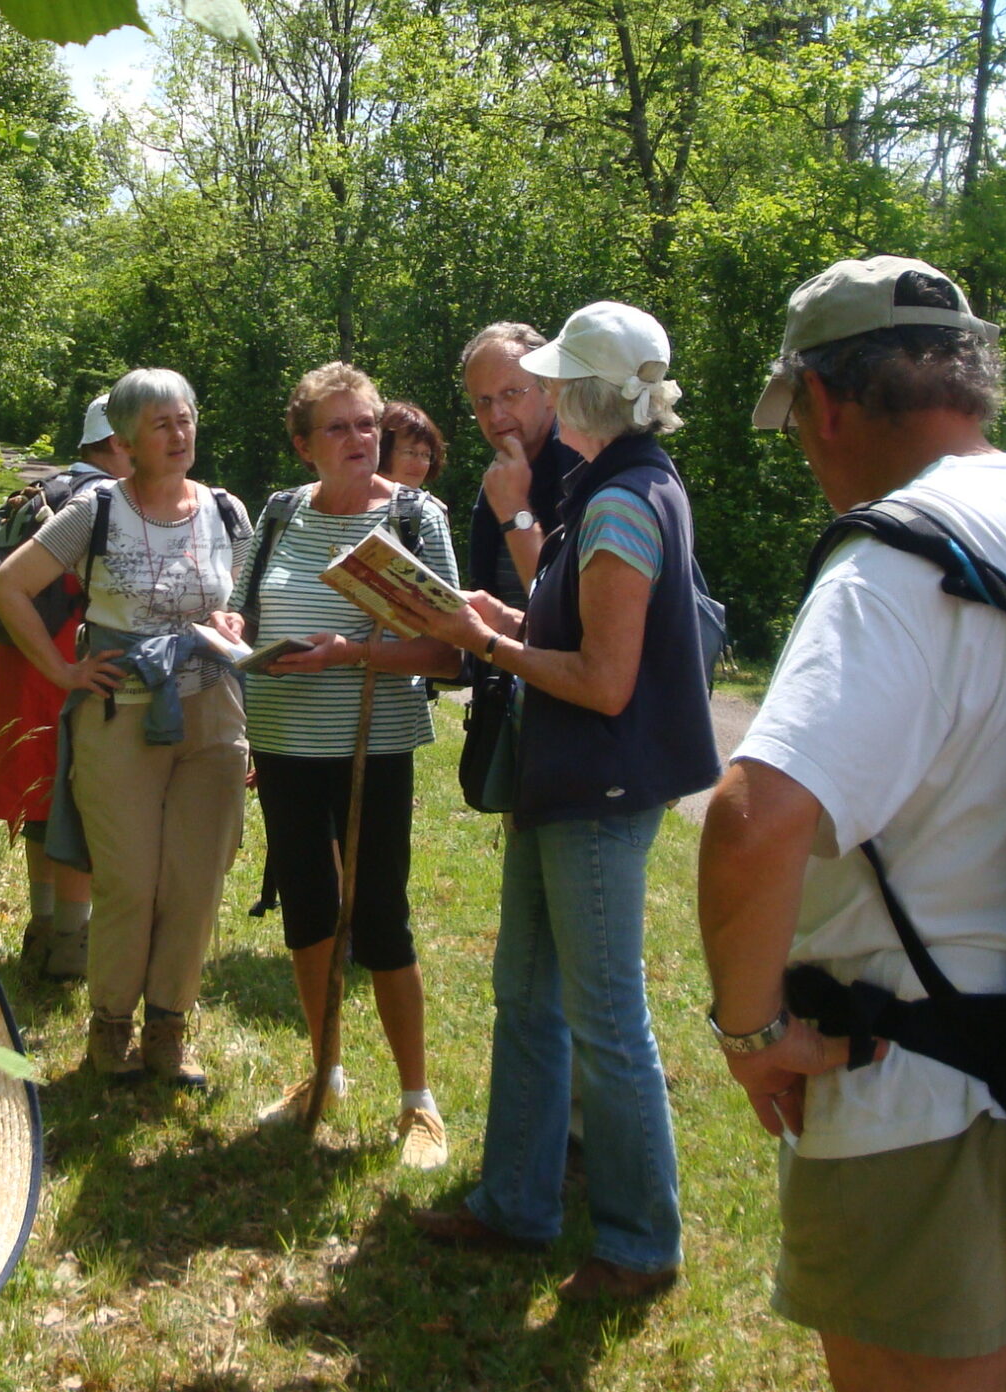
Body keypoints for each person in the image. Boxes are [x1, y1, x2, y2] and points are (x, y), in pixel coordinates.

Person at [700, 255, 1006, 1391]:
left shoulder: (894, 558)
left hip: (912, 1094)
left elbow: (753, 819)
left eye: (795, 419)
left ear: (824, 402)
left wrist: (752, 1041)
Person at [410, 302, 719, 1305]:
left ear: (578, 392)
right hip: (564, 781)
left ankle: (638, 1243)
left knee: (604, 1018)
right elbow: (573, 613)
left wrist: (491, 644)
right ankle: (515, 1204)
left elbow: (605, 680)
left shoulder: (625, 500)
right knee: (526, 996)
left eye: (541, 381)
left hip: (597, 786)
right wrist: (504, 613)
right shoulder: (612, 485)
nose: (523, 400)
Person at [0, 368, 252, 1086]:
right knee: (130, 882)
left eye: (187, 418)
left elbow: (243, 601)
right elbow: (7, 587)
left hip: (211, 711)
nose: (179, 433)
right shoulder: (96, 510)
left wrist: (231, 622)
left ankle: (169, 1030)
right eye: (162, 422)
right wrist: (63, 671)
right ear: (127, 438)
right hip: (119, 712)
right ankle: (110, 1030)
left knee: (195, 883)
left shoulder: (226, 510)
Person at [235, 363, 462, 1167]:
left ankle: (417, 1103)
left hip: (374, 740)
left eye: (368, 424)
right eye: (339, 427)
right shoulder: (277, 513)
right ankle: (323, 1072)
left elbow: (448, 647)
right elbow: (248, 606)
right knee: (307, 906)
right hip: (283, 739)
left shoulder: (414, 517)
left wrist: (349, 654)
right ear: (304, 445)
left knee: (379, 917)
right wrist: (235, 631)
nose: (361, 439)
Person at [0, 394, 130, 979]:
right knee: (77, 803)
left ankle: (42, 928)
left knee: (41, 801)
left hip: (21, 658)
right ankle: (72, 940)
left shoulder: (42, 489)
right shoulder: (105, 502)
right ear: (118, 442)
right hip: (69, 659)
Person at [459, 322, 578, 610]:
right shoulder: (499, 475)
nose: (496, 415)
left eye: (511, 393)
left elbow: (569, 614)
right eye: (483, 401)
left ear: (550, 390)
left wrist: (515, 512)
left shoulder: (581, 469)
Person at [377, 399, 446, 492]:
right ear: (381, 451)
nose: (419, 464)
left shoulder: (428, 506)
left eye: (426, 455)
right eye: (410, 452)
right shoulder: (353, 501)